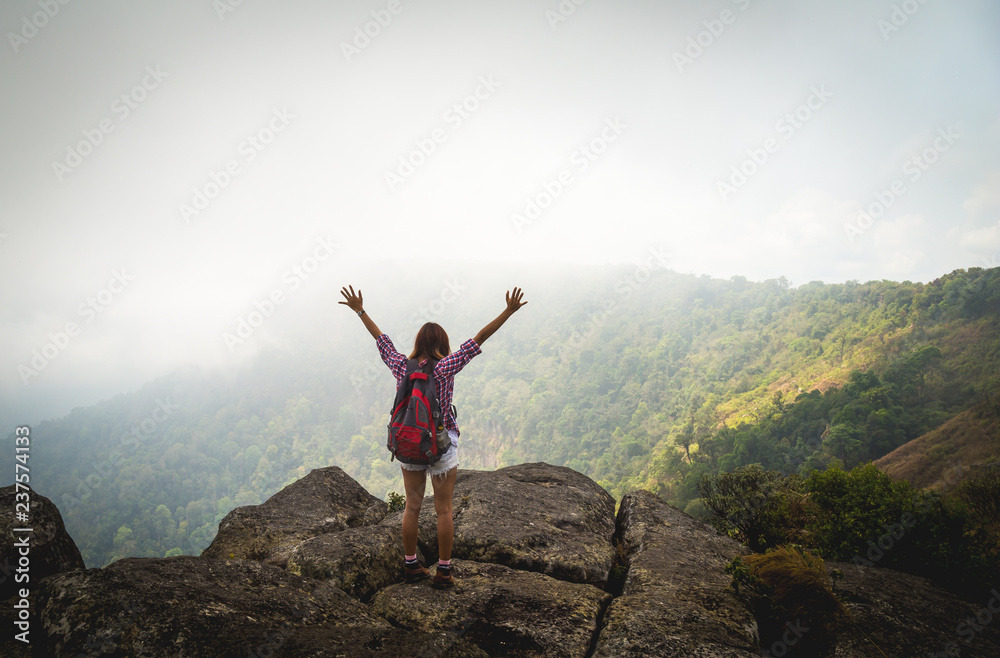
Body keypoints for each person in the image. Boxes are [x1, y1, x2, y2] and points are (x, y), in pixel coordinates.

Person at [339, 284, 527, 588]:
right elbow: (478, 339)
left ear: (417, 343)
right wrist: (508, 311)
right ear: (442, 343)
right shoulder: (445, 368)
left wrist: (360, 310)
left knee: (412, 506)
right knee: (444, 509)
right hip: (441, 445)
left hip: (410, 444)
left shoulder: (402, 366)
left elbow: (381, 340)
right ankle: (443, 570)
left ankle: (411, 566)